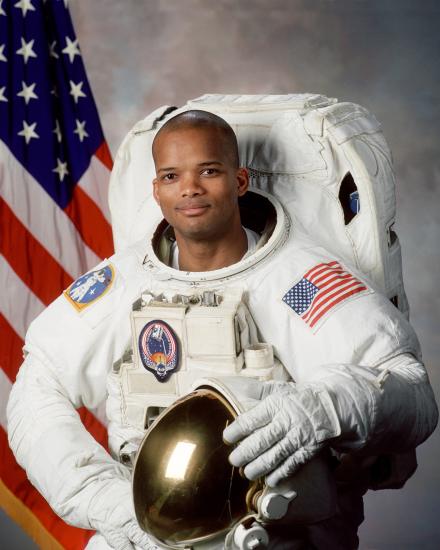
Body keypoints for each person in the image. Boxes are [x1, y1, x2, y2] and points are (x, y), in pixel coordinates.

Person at [7, 110, 438, 550]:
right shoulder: (125, 283)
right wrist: (117, 507)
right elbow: (35, 391)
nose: (190, 189)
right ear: (156, 190)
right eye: (172, 176)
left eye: (209, 171)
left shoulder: (298, 283)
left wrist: (323, 408)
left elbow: (413, 391)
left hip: (275, 537)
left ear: (240, 181)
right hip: (141, 538)